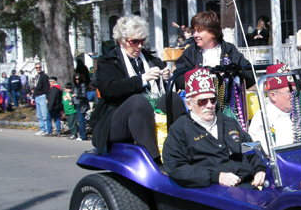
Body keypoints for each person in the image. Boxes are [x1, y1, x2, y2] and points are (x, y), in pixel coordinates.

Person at [163, 68, 267, 189]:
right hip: (212, 191)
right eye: (202, 101)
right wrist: (216, 176)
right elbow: (176, 167)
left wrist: (260, 169)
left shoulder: (230, 123)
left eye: (213, 100)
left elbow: (252, 148)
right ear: (189, 104)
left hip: (248, 184)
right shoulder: (179, 130)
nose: (209, 105)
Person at [89, 15, 168, 161]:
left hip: (150, 110)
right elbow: (109, 90)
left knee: (172, 100)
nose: (139, 46)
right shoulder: (108, 61)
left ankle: (182, 155)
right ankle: (154, 161)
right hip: (115, 118)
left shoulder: (149, 59)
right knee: (137, 101)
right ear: (121, 41)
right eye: (134, 42)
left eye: (142, 41)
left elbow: (164, 86)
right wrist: (142, 79)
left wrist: (166, 78)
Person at [175, 11, 255, 87]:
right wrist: (204, 73)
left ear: (213, 32)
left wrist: (231, 72)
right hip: (201, 100)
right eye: (194, 31)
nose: (195, 35)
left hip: (228, 99)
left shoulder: (229, 49)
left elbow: (250, 74)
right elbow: (179, 78)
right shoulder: (190, 52)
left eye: (199, 31)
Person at [248, 63, 294, 149]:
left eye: (295, 91)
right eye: (289, 92)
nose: (294, 95)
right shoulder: (262, 119)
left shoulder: (297, 114)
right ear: (273, 96)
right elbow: (267, 154)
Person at [32, 62, 50, 135]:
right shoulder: (36, 77)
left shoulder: (44, 76)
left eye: (39, 67)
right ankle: (42, 129)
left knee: (44, 114)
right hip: (37, 97)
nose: (38, 69)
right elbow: (35, 88)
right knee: (39, 115)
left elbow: (47, 88)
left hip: (43, 96)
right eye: (36, 67)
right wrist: (33, 97)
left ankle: (46, 129)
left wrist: (47, 97)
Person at [72, 73, 90, 141]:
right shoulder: (74, 85)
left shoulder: (83, 85)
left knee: (81, 120)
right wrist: (72, 101)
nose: (77, 80)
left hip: (81, 105)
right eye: (76, 79)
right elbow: (72, 94)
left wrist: (77, 95)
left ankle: (83, 135)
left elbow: (84, 95)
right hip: (76, 104)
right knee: (79, 120)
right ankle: (80, 134)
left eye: (78, 79)